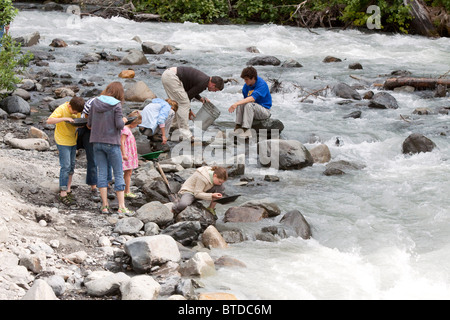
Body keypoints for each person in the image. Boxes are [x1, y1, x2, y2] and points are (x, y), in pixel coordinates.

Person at [87, 81, 132, 215]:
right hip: (112, 143)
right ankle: (121, 206)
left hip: (96, 142)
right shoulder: (116, 105)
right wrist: (124, 121)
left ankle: (104, 206)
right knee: (118, 173)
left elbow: (89, 123)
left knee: (102, 173)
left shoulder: (94, 102)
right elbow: (119, 125)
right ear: (119, 93)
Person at [161, 66, 224, 141]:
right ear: (213, 85)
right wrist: (188, 110)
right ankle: (186, 134)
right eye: (215, 90)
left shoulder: (204, 80)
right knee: (183, 103)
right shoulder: (203, 82)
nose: (214, 91)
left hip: (169, 75)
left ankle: (173, 129)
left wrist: (200, 98)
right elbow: (187, 97)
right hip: (172, 77)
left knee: (177, 104)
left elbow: (191, 91)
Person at [46, 96, 85, 206]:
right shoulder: (62, 109)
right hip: (62, 140)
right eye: (74, 111)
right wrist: (64, 119)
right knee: (66, 166)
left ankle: (68, 189)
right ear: (69, 106)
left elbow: (79, 119)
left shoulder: (77, 110)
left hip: (73, 140)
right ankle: (62, 193)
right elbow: (49, 121)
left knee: (72, 165)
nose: (75, 113)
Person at [77, 98, 113, 201]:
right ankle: (93, 188)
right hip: (88, 131)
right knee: (92, 159)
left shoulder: (111, 105)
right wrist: (92, 125)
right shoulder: (90, 105)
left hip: (104, 130)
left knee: (107, 157)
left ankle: (108, 184)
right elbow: (88, 124)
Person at [228, 66, 272, 139]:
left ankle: (246, 130)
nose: (245, 81)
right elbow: (245, 101)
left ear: (253, 78)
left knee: (248, 105)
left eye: (246, 79)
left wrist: (235, 104)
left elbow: (252, 98)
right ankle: (238, 127)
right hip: (253, 110)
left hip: (264, 111)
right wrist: (238, 104)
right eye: (244, 79)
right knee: (241, 104)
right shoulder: (246, 86)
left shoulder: (262, 84)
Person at [121, 110, 142, 199]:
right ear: (133, 122)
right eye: (137, 124)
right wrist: (124, 154)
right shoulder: (125, 129)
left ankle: (126, 190)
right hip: (126, 154)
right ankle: (126, 191)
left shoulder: (127, 129)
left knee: (128, 172)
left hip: (129, 153)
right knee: (128, 172)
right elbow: (121, 142)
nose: (136, 126)